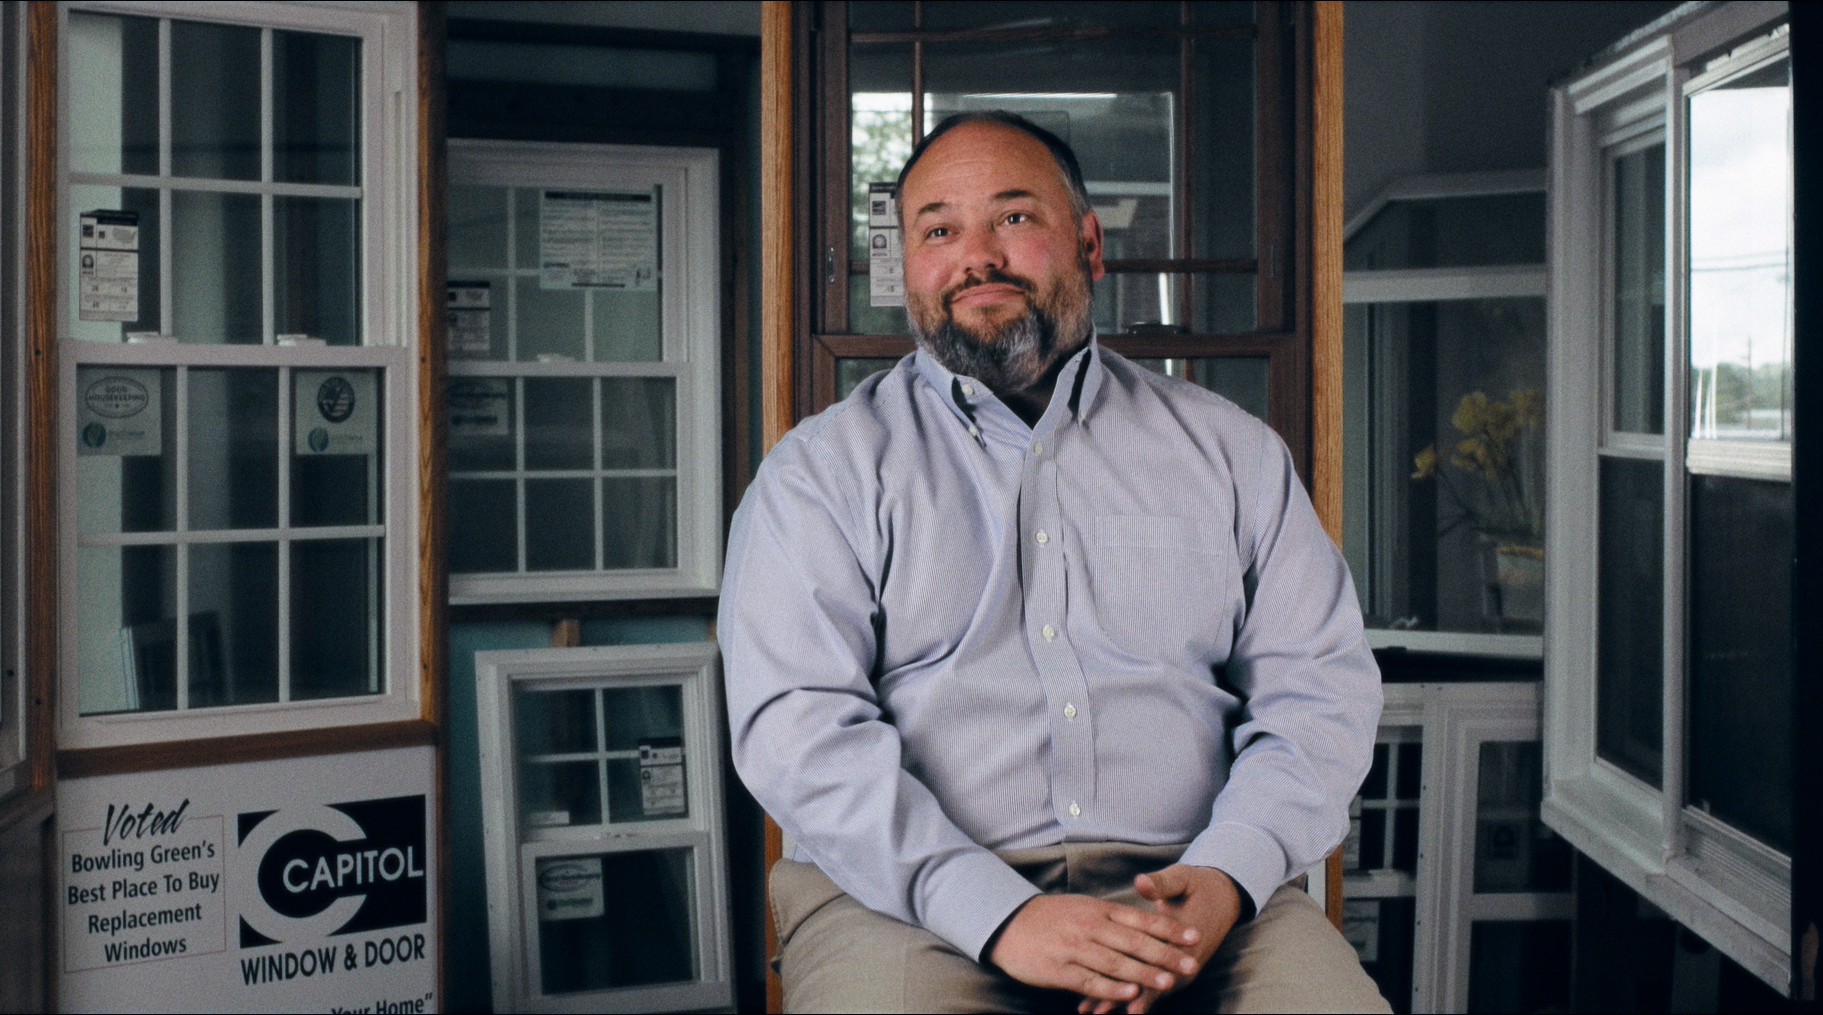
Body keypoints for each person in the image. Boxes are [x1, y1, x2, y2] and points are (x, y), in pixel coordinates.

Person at [720, 111, 1387, 1013]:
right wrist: (998, 914)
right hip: (905, 901)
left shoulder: (1232, 454)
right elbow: (796, 729)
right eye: (938, 230)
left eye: (1014, 217)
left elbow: (1318, 691)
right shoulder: (819, 473)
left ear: (1089, 245)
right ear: (908, 266)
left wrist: (1230, 871)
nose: (977, 256)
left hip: (1199, 886)